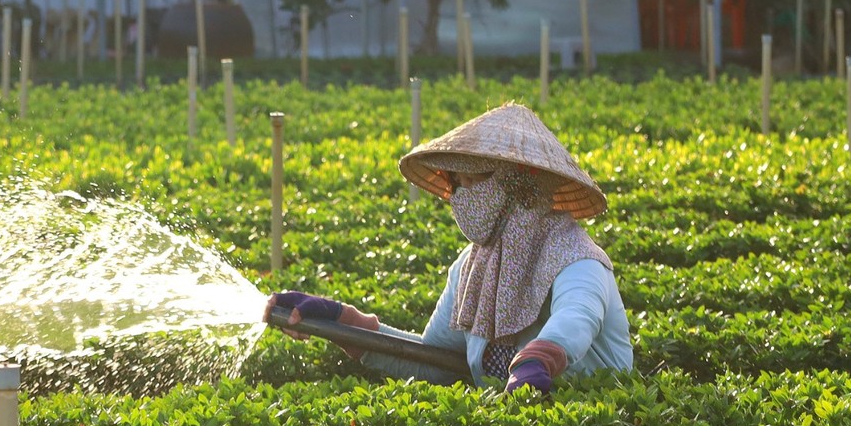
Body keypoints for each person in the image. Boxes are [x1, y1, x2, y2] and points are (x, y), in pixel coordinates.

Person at [269, 102, 632, 394]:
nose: (461, 196)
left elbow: (578, 317)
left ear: (517, 182)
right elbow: (435, 362)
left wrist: (539, 357)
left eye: (474, 180)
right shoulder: (471, 268)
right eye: (457, 183)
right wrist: (343, 322)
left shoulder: (578, 260)